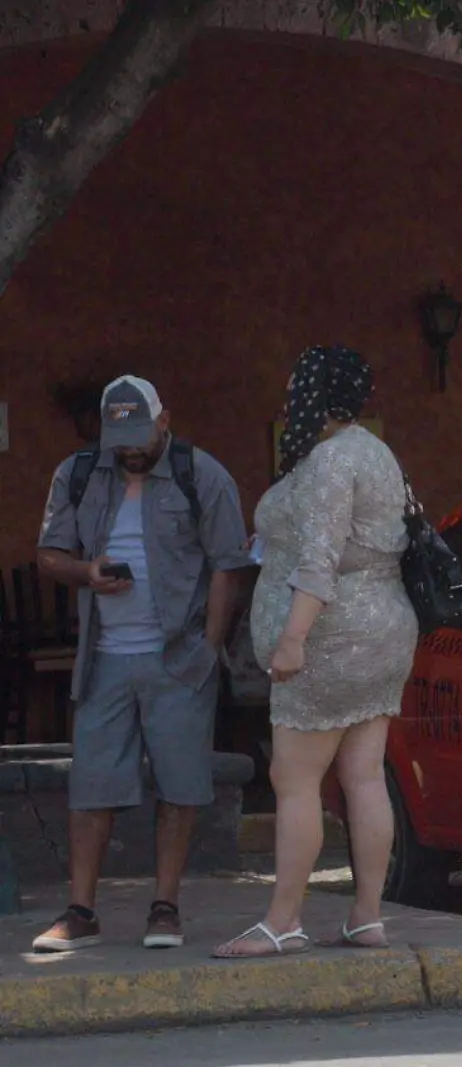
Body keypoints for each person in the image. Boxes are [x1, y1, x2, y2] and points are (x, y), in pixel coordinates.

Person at [31, 376, 250, 953]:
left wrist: (209, 646)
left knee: (178, 785)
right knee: (91, 786)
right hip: (103, 657)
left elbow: (229, 563)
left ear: (164, 420)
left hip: (178, 657)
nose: (128, 449)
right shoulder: (77, 474)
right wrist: (86, 573)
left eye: (138, 435)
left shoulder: (202, 474)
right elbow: (48, 553)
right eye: (117, 437)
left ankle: (165, 907)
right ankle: (81, 911)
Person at [213, 347, 419, 958]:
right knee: (363, 775)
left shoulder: (330, 461)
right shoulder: (376, 451)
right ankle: (367, 916)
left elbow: (320, 560)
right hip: (382, 628)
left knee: (293, 777)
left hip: (332, 636)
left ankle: (283, 920)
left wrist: (292, 638)